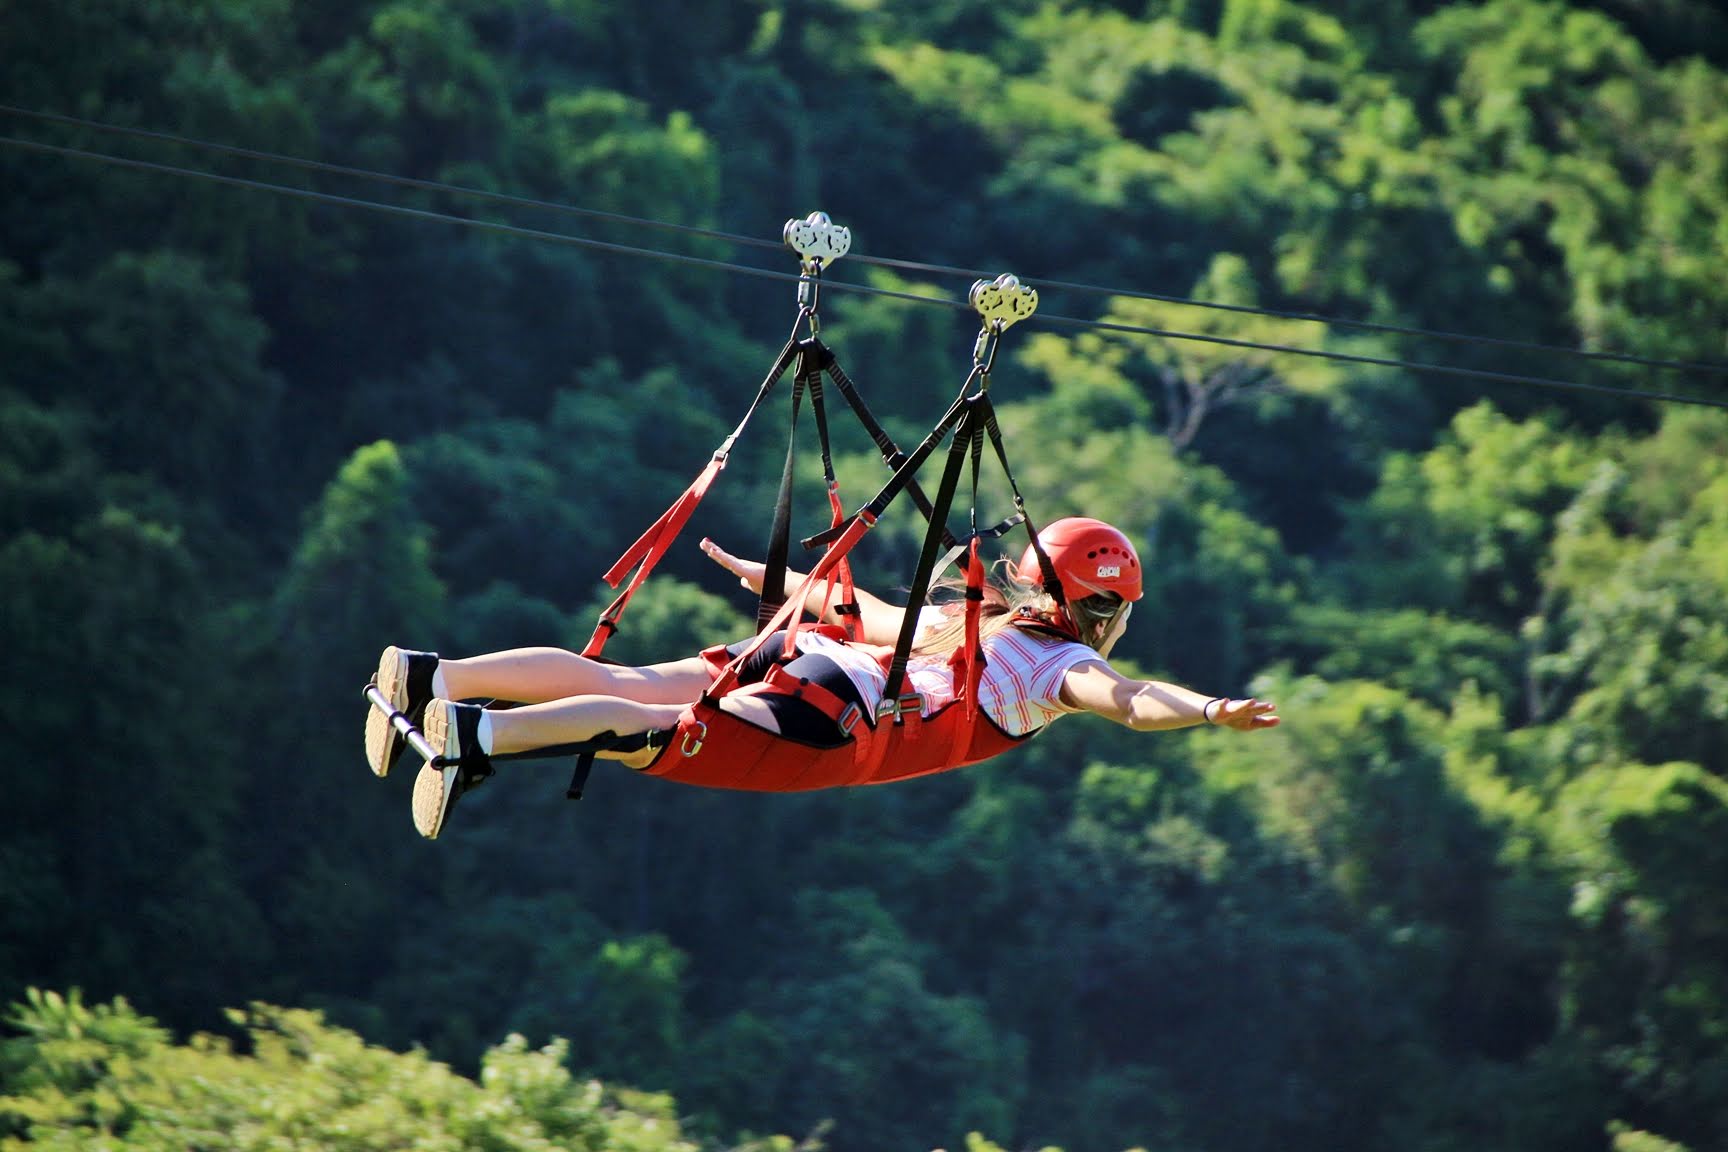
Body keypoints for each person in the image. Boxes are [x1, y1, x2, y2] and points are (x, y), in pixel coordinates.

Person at [365, 518, 1280, 838]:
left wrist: (773, 584)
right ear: (1096, 615)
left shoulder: (968, 622)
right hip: (836, 720)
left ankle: (426, 675)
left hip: (812, 657)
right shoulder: (1058, 666)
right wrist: (1208, 711)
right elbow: (1127, 702)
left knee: (634, 682)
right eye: (1116, 617)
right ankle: (475, 736)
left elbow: (856, 611)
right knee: (659, 735)